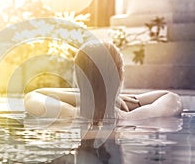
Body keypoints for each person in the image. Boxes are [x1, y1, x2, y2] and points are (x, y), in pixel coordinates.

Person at [24, 41, 183, 121]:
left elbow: (34, 95)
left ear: (78, 77)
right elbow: (172, 98)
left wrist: (88, 98)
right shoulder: (135, 118)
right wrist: (117, 100)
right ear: (120, 75)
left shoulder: (67, 115)